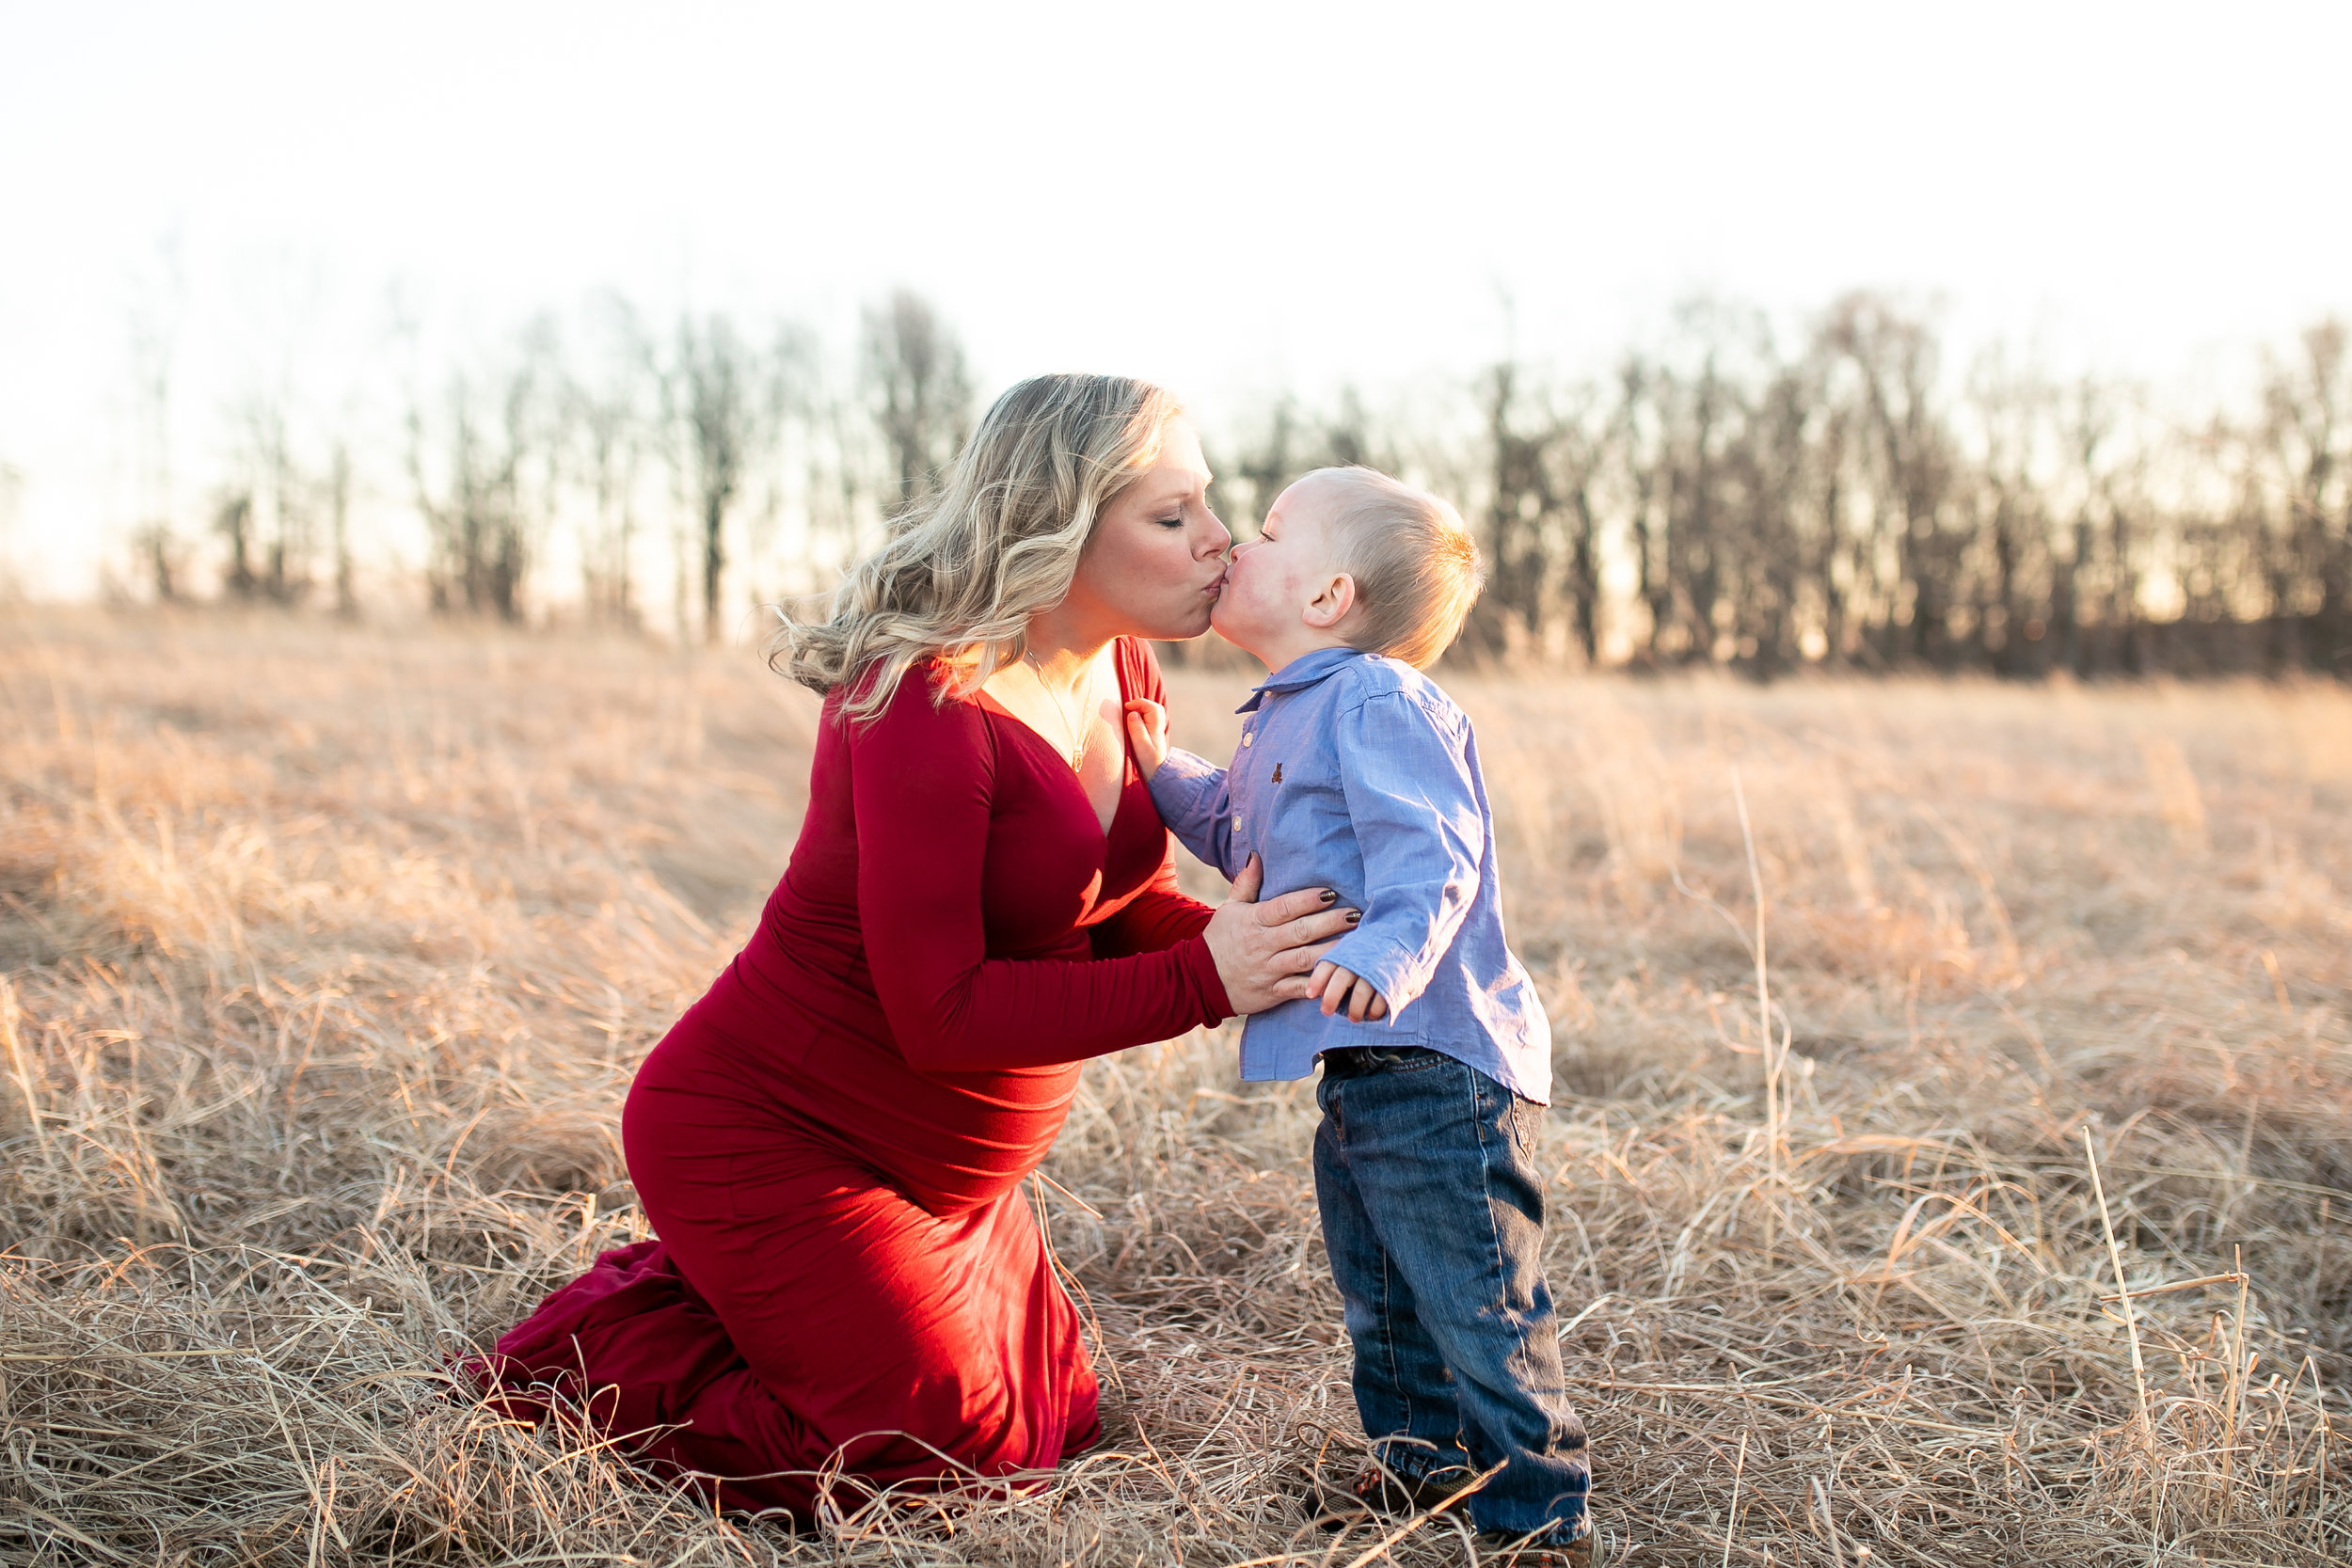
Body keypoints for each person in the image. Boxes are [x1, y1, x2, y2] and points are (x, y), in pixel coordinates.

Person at [469, 374, 1360, 1522]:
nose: (1218, 540)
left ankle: (732, 1293)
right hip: (778, 1132)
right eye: (1171, 513)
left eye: (1206, 506)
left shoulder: (1121, 670)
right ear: (1059, 522)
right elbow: (937, 1014)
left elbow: (1128, 906)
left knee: (1060, 1415)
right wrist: (1207, 976)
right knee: (937, 1460)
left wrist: (1278, 947)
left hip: (950, 1179)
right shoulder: (922, 696)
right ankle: (577, 1370)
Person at [1122, 466, 1595, 1562]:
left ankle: (1540, 1514)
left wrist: (1387, 951)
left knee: (1474, 1293)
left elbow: (1437, 849)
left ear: (1328, 595)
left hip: (1437, 1056)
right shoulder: (1289, 710)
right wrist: (1155, 768)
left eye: (1271, 530)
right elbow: (1246, 838)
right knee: (1380, 1288)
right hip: (1366, 1062)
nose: (1237, 538)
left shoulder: (1378, 697)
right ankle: (1419, 1470)